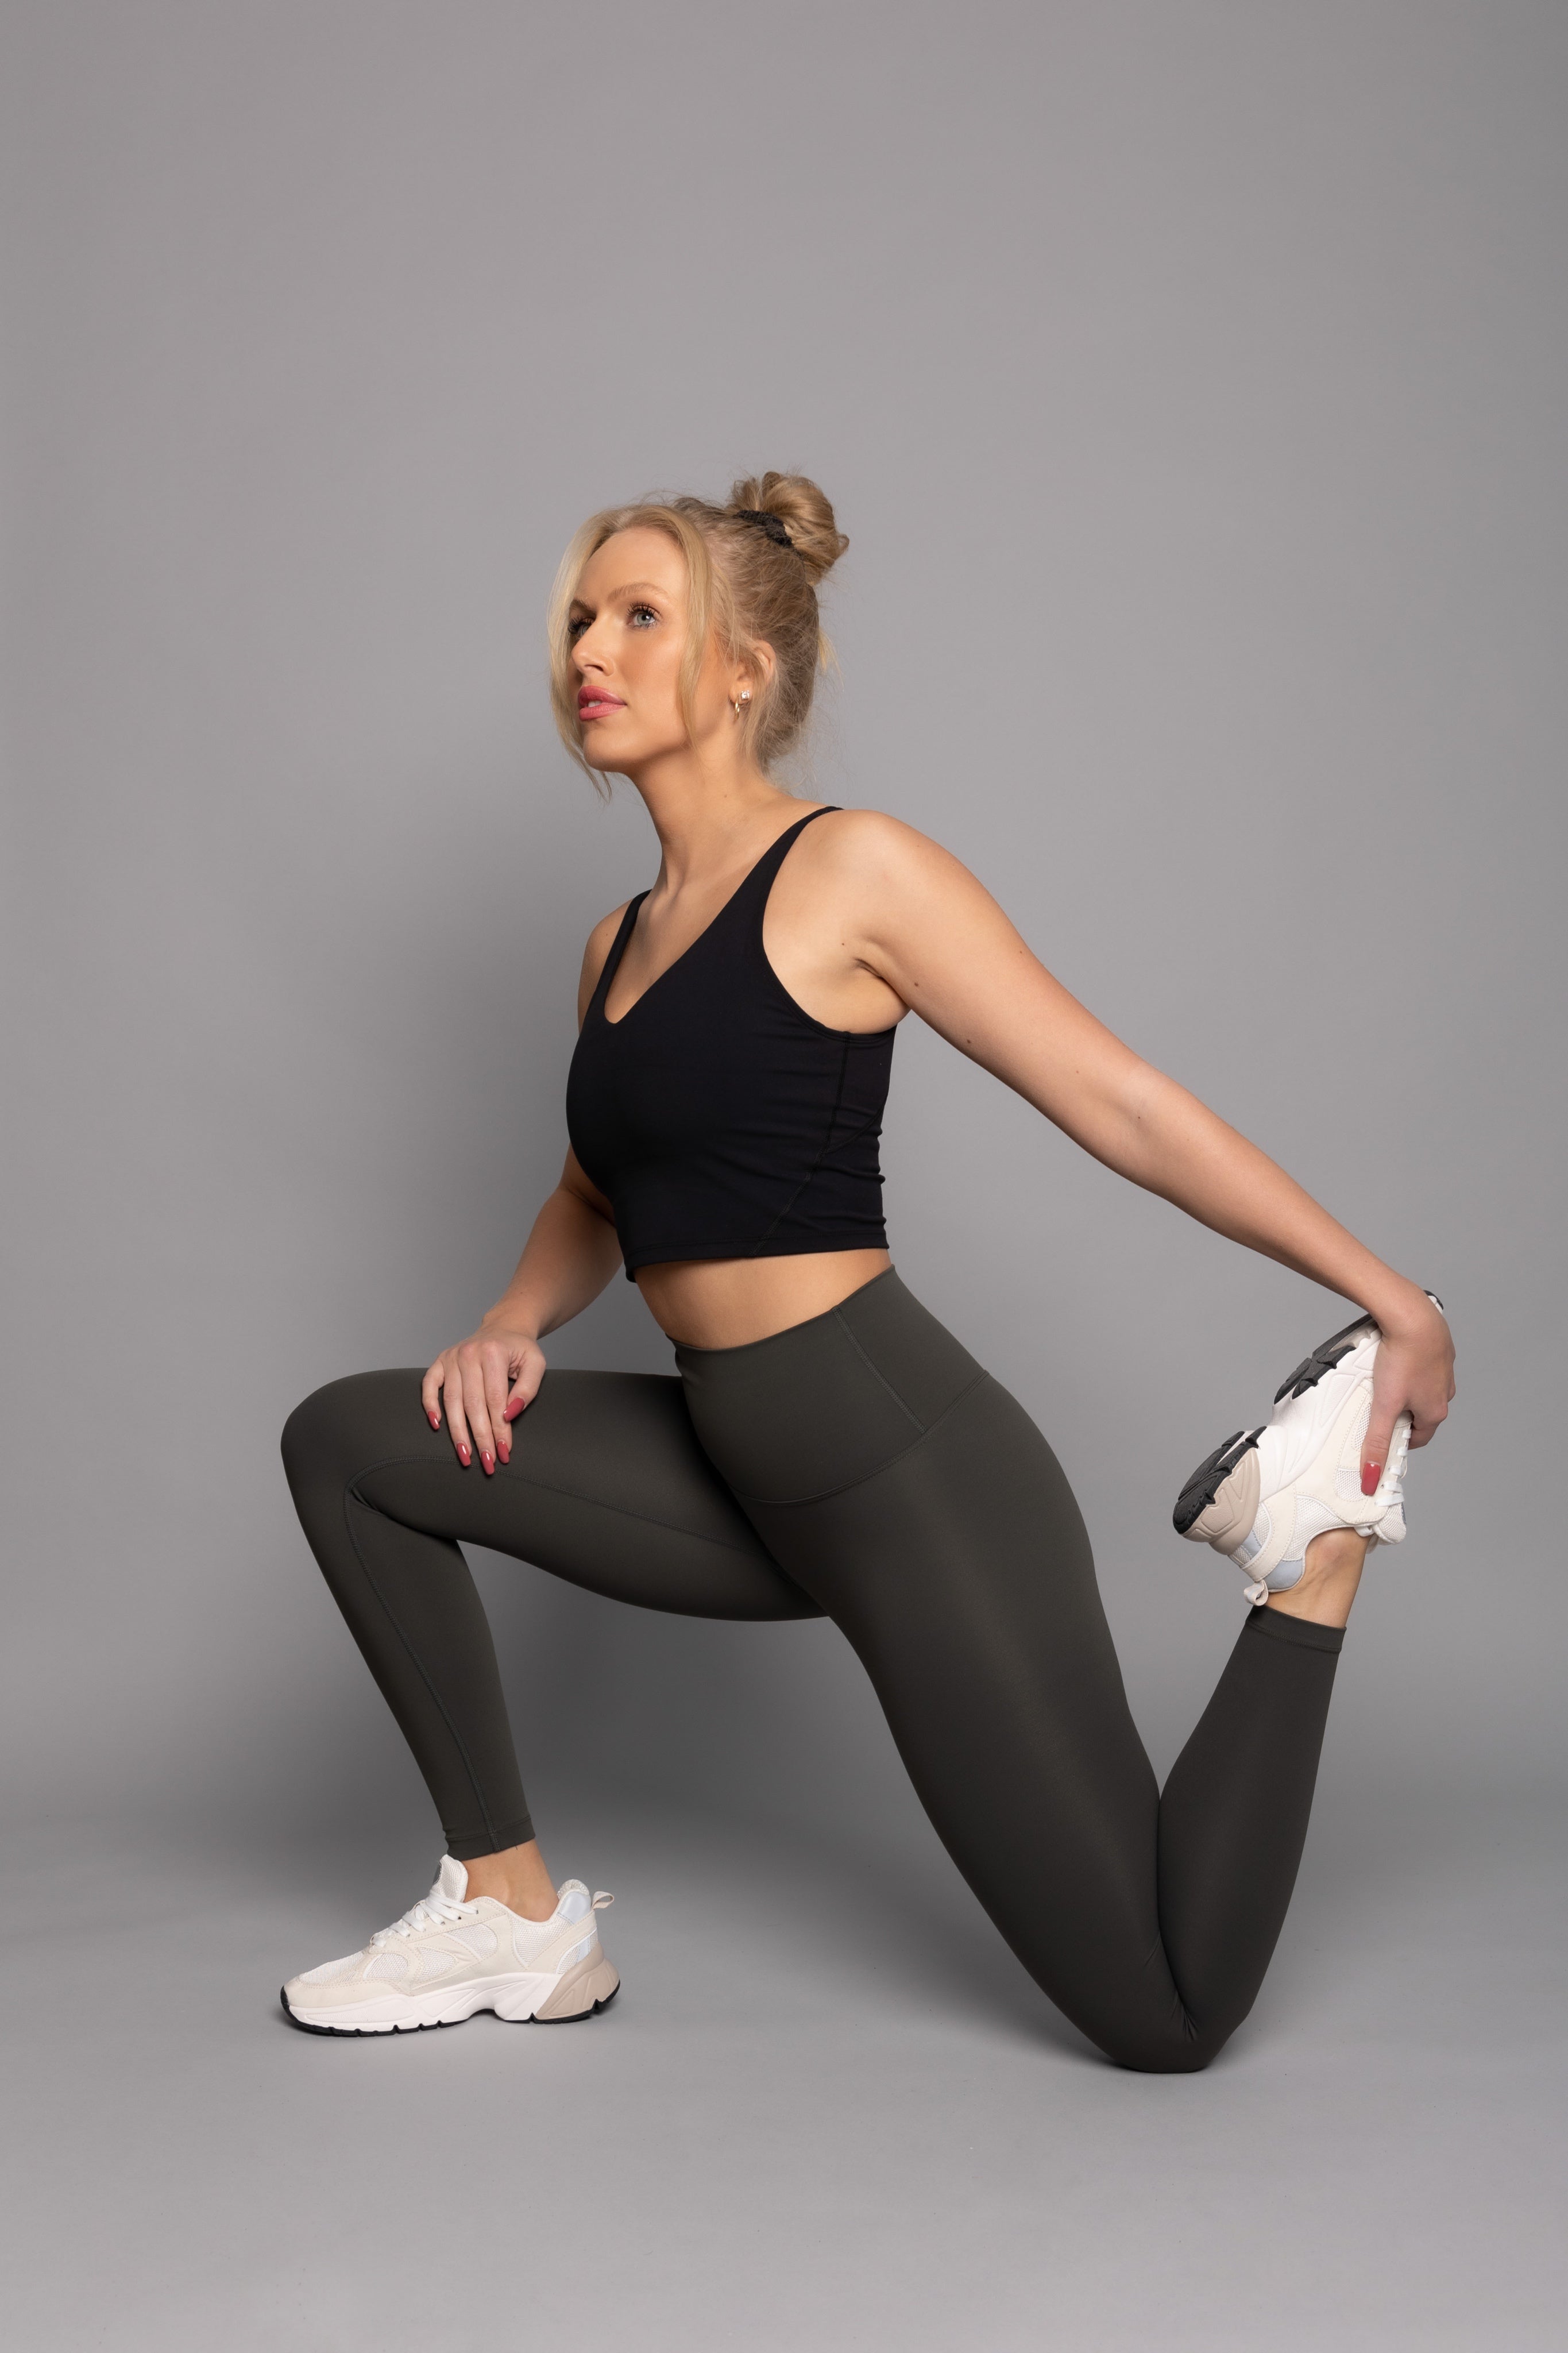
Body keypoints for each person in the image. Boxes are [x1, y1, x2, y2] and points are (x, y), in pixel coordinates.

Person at [279, 472, 1454, 2067]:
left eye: (640, 618)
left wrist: (1387, 1295)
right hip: (733, 1464)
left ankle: (1313, 1561)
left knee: (1163, 2012)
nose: (589, 652)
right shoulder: (614, 945)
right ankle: (506, 1908)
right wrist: (508, 1319)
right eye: (581, 618)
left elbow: (1116, 1101)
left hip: (902, 1472)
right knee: (352, 1446)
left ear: (741, 671)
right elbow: (593, 1191)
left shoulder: (853, 873)